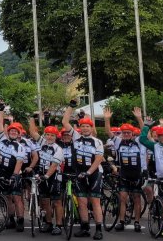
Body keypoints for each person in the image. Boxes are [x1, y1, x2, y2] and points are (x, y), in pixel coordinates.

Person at [62, 100, 104, 240]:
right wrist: (71, 107)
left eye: (87, 126)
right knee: (81, 201)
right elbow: (64, 122)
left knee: (95, 201)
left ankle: (98, 229)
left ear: (91, 129)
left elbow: (98, 159)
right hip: (79, 174)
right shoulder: (76, 137)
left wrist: (89, 172)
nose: (85, 128)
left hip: (93, 174)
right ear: (80, 128)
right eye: (83, 126)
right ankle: (84, 227)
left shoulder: (97, 142)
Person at [110, 107, 146, 233]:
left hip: (136, 175)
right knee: (123, 198)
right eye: (124, 133)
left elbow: (144, 132)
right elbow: (108, 133)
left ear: (132, 134)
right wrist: (107, 119)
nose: (126, 134)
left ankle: (136, 221)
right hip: (124, 175)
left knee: (136, 198)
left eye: (128, 133)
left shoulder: (138, 142)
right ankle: (121, 221)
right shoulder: (119, 142)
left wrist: (139, 118)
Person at [28, 118, 65, 236]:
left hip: (54, 176)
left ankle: (59, 225)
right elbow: (33, 133)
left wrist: (47, 176)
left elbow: (54, 166)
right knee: (45, 201)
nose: (49, 137)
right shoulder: (42, 143)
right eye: (48, 135)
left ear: (56, 137)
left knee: (56, 202)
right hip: (43, 174)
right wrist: (32, 119)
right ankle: (48, 223)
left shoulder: (58, 149)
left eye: (52, 135)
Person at [0, 105, 26, 232]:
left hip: (14, 174)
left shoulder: (20, 147)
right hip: (2, 172)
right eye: (11, 131)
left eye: (15, 132)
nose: (12, 132)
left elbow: (19, 162)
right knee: (7, 197)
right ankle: (11, 219)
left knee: (17, 198)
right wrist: (1, 111)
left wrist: (14, 176)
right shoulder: (2, 139)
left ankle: (21, 220)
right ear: (8, 132)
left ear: (18, 134)